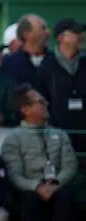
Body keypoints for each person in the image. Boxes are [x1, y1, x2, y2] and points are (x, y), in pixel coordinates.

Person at [0, 85, 77, 221]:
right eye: (41, 102)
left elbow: (70, 165)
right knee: (28, 200)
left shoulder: (60, 134)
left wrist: (55, 184)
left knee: (65, 196)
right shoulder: (13, 138)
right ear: (25, 110)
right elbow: (14, 174)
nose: (46, 103)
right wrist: (37, 186)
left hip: (56, 185)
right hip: (30, 188)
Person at [34, 18, 85, 156]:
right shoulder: (46, 67)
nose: (81, 36)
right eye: (75, 33)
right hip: (57, 142)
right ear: (61, 37)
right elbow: (41, 102)